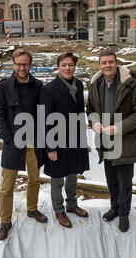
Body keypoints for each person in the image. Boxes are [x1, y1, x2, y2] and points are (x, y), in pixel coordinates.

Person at [86, 50, 136, 232]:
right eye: (104, 63)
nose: (107, 66)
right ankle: (114, 208)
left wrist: (119, 127)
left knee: (125, 181)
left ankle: (123, 214)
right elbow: (90, 109)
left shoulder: (131, 84)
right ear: (99, 65)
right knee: (111, 179)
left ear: (116, 63)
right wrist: (94, 121)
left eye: (110, 62)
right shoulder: (95, 84)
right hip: (105, 140)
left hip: (125, 140)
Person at [0, 48, 47, 241]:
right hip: (12, 142)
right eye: (19, 64)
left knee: (34, 179)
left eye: (25, 64)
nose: (22, 68)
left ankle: (32, 209)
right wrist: (8, 137)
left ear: (30, 65)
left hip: (33, 142)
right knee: (7, 187)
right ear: (13, 64)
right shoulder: (3, 87)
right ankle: (5, 221)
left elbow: (43, 114)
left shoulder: (39, 86)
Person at [40, 52, 90, 228]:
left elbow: (80, 113)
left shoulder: (78, 84)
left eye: (71, 65)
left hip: (75, 139)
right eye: (64, 65)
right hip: (58, 141)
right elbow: (45, 119)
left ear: (74, 67)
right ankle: (59, 210)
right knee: (57, 178)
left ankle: (72, 204)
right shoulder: (49, 89)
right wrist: (50, 147)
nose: (68, 68)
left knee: (73, 175)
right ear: (58, 67)